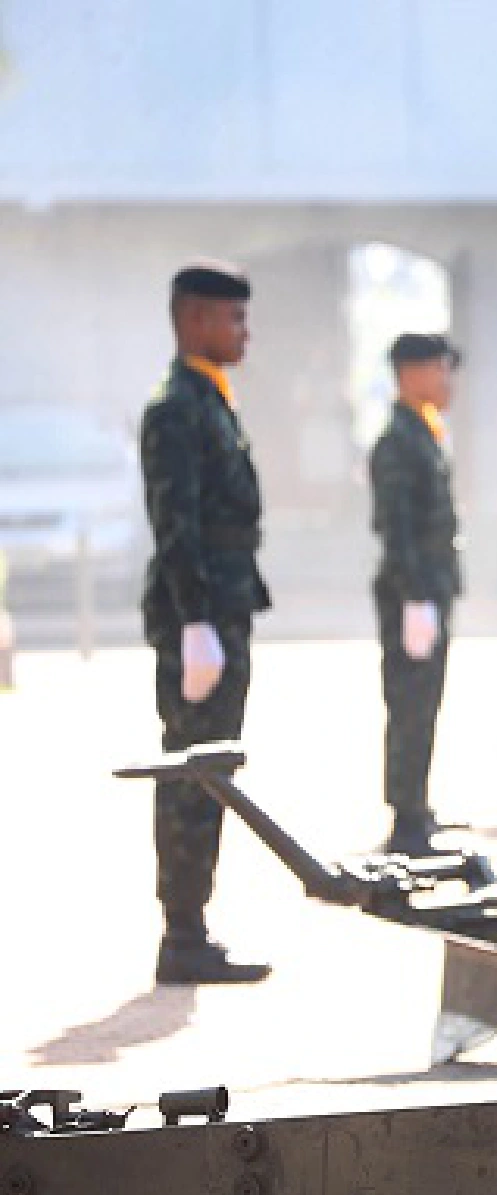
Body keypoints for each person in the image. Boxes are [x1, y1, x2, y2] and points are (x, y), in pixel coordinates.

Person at [139, 261, 272, 984]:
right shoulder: (176, 408)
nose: (245, 332)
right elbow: (176, 525)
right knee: (194, 769)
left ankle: (192, 925)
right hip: (202, 616)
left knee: (213, 766)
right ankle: (182, 932)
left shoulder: (210, 398)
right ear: (194, 318)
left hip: (223, 609)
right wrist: (194, 622)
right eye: (234, 318)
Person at [369, 332, 463, 858]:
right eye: (439, 369)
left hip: (430, 589)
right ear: (410, 373)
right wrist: (415, 598)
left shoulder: (423, 431)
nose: (447, 380)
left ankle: (417, 807)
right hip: (413, 594)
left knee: (425, 701)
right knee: (409, 702)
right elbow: (396, 528)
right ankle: (404, 821)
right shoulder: (397, 441)